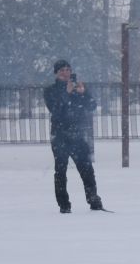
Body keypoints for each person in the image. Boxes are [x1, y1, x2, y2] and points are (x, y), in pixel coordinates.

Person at [42, 59, 103, 213]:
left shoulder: (78, 88)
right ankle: (64, 204)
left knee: (87, 168)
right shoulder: (50, 90)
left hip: (78, 135)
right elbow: (55, 110)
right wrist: (66, 94)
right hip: (60, 135)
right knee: (60, 170)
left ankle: (94, 200)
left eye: (68, 69)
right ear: (56, 73)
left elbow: (92, 106)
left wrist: (83, 94)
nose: (65, 73)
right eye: (62, 70)